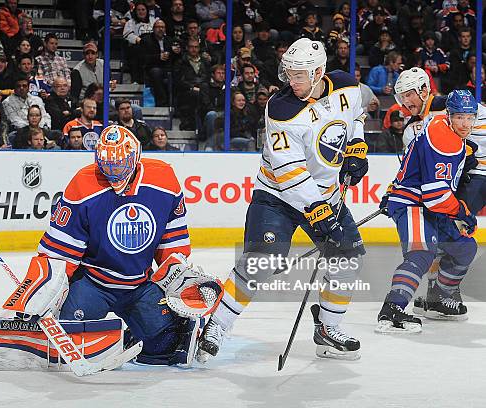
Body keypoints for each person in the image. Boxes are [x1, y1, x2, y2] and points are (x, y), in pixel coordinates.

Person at [196, 38, 368, 363]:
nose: (292, 80)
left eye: (299, 75)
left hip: (327, 195)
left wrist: (357, 147)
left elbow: (355, 117)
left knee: (349, 262)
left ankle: (328, 330)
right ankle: (217, 325)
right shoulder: (280, 108)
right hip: (277, 196)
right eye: (289, 73)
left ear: (318, 72)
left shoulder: (346, 86)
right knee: (261, 263)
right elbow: (289, 171)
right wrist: (317, 209)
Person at [34, 125, 222, 366]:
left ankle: (131, 338)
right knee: (65, 345)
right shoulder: (83, 182)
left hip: (139, 285)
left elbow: (172, 240)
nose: (113, 171)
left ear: (135, 157)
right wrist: (44, 291)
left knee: (166, 345)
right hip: (93, 283)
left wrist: (175, 271)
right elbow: (59, 249)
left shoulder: (164, 179)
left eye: (119, 164)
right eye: (107, 164)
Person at [376, 91, 479, 332]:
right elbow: (435, 197)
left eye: (470, 118)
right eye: (460, 117)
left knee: (464, 248)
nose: (465, 124)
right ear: (450, 115)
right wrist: (462, 212)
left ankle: (438, 299)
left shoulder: (441, 128)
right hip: (413, 204)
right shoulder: (445, 139)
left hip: (423, 204)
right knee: (421, 254)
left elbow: (416, 166)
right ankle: (392, 310)